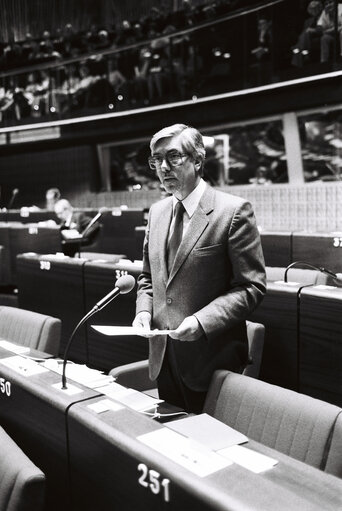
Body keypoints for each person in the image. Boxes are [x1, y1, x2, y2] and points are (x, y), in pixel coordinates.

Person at [132, 123, 266, 413]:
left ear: (197, 160)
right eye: (156, 160)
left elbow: (251, 287)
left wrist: (202, 322)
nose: (163, 167)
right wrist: (144, 311)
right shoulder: (157, 212)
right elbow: (147, 278)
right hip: (164, 358)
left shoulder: (233, 212)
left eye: (173, 157)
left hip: (211, 362)